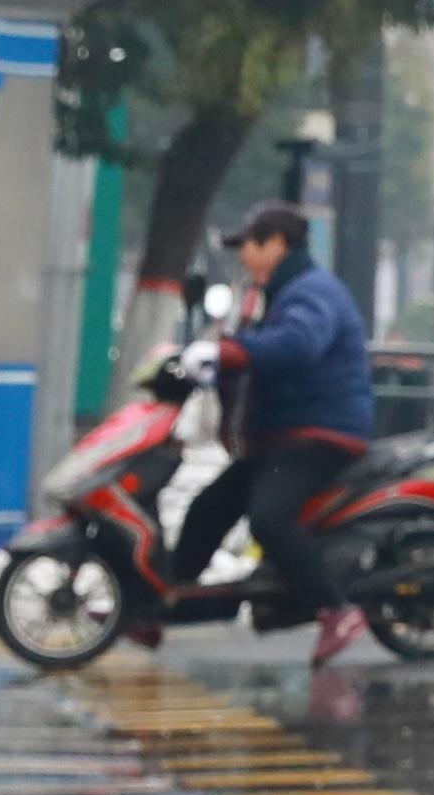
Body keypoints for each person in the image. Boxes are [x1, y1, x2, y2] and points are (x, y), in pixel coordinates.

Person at [153, 202, 372, 635]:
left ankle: (336, 610)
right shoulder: (273, 293)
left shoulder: (311, 291)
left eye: (249, 245)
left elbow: (297, 343)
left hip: (318, 434)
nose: (243, 255)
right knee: (207, 508)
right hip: (280, 438)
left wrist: (229, 353)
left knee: (269, 518)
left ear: (277, 243)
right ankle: (162, 603)